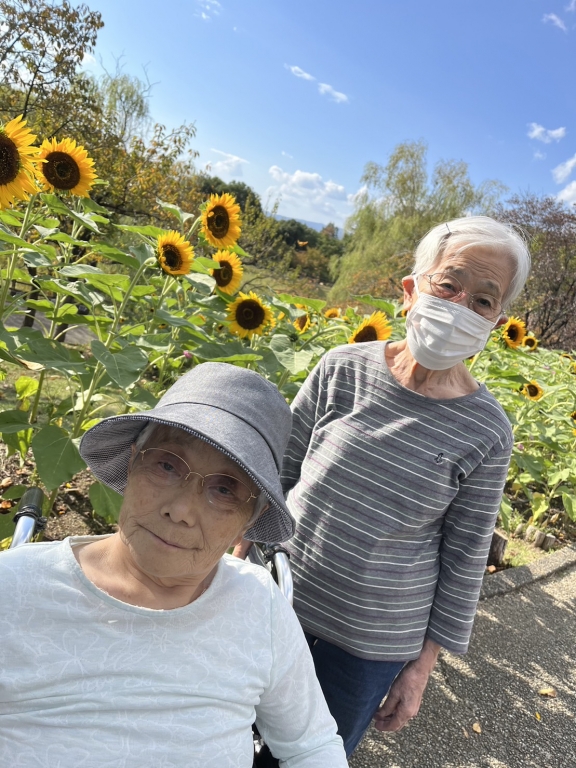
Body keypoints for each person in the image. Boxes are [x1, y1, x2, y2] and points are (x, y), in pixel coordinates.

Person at [0, 363, 347, 768]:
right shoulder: (16, 585)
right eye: (166, 464)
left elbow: (312, 745)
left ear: (250, 518)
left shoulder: (259, 606)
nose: (182, 510)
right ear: (132, 463)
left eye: (225, 489)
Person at [277, 216, 531, 757]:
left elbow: (464, 559)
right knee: (220, 736)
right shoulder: (341, 368)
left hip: (368, 648)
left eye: (483, 301)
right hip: (275, 602)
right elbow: (278, 474)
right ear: (412, 290)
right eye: (448, 285)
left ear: (495, 322)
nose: (461, 307)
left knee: (310, 756)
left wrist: (420, 669)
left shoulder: (487, 430)